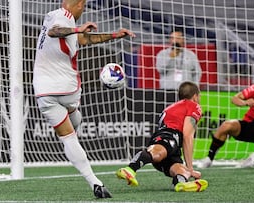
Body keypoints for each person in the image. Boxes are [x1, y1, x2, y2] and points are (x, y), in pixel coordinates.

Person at [32, 0, 135, 198]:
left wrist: (114, 35)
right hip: (66, 88)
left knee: (69, 135)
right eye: (84, 6)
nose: (84, 10)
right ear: (78, 4)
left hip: (43, 91)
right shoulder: (64, 18)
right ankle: (91, 175)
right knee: (71, 132)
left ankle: (93, 181)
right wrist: (77, 27)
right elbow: (55, 32)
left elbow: (85, 40)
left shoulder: (54, 15)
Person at [116, 81, 208, 192]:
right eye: (199, 96)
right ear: (195, 96)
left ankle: (180, 184)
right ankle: (130, 169)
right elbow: (187, 135)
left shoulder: (170, 107)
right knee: (159, 154)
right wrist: (191, 168)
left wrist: (189, 169)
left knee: (182, 170)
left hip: (171, 145)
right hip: (169, 137)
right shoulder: (194, 106)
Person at [197, 81, 254, 168]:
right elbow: (235, 99)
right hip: (251, 126)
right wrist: (246, 102)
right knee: (227, 125)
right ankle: (209, 159)